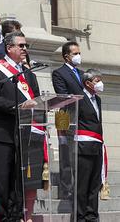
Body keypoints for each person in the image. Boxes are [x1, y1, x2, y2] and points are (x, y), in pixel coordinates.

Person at [0, 31, 40, 222]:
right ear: (9, 48)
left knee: (18, 181)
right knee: (1, 181)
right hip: (1, 134)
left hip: (23, 135)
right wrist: (16, 107)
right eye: (21, 45)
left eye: (26, 46)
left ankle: (17, 216)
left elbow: (37, 99)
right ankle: (1, 218)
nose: (25, 49)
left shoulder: (28, 74)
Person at [52, 41, 84, 200]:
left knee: (79, 153)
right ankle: (66, 188)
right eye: (75, 54)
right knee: (66, 153)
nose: (78, 56)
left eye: (79, 53)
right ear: (66, 56)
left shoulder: (83, 73)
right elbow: (62, 94)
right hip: (65, 115)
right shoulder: (59, 73)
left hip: (82, 117)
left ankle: (79, 186)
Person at [76, 69, 105, 222]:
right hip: (83, 147)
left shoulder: (98, 100)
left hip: (97, 146)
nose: (100, 83)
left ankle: (92, 216)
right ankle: (80, 216)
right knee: (82, 185)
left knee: (95, 184)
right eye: (96, 80)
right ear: (87, 83)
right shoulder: (78, 98)